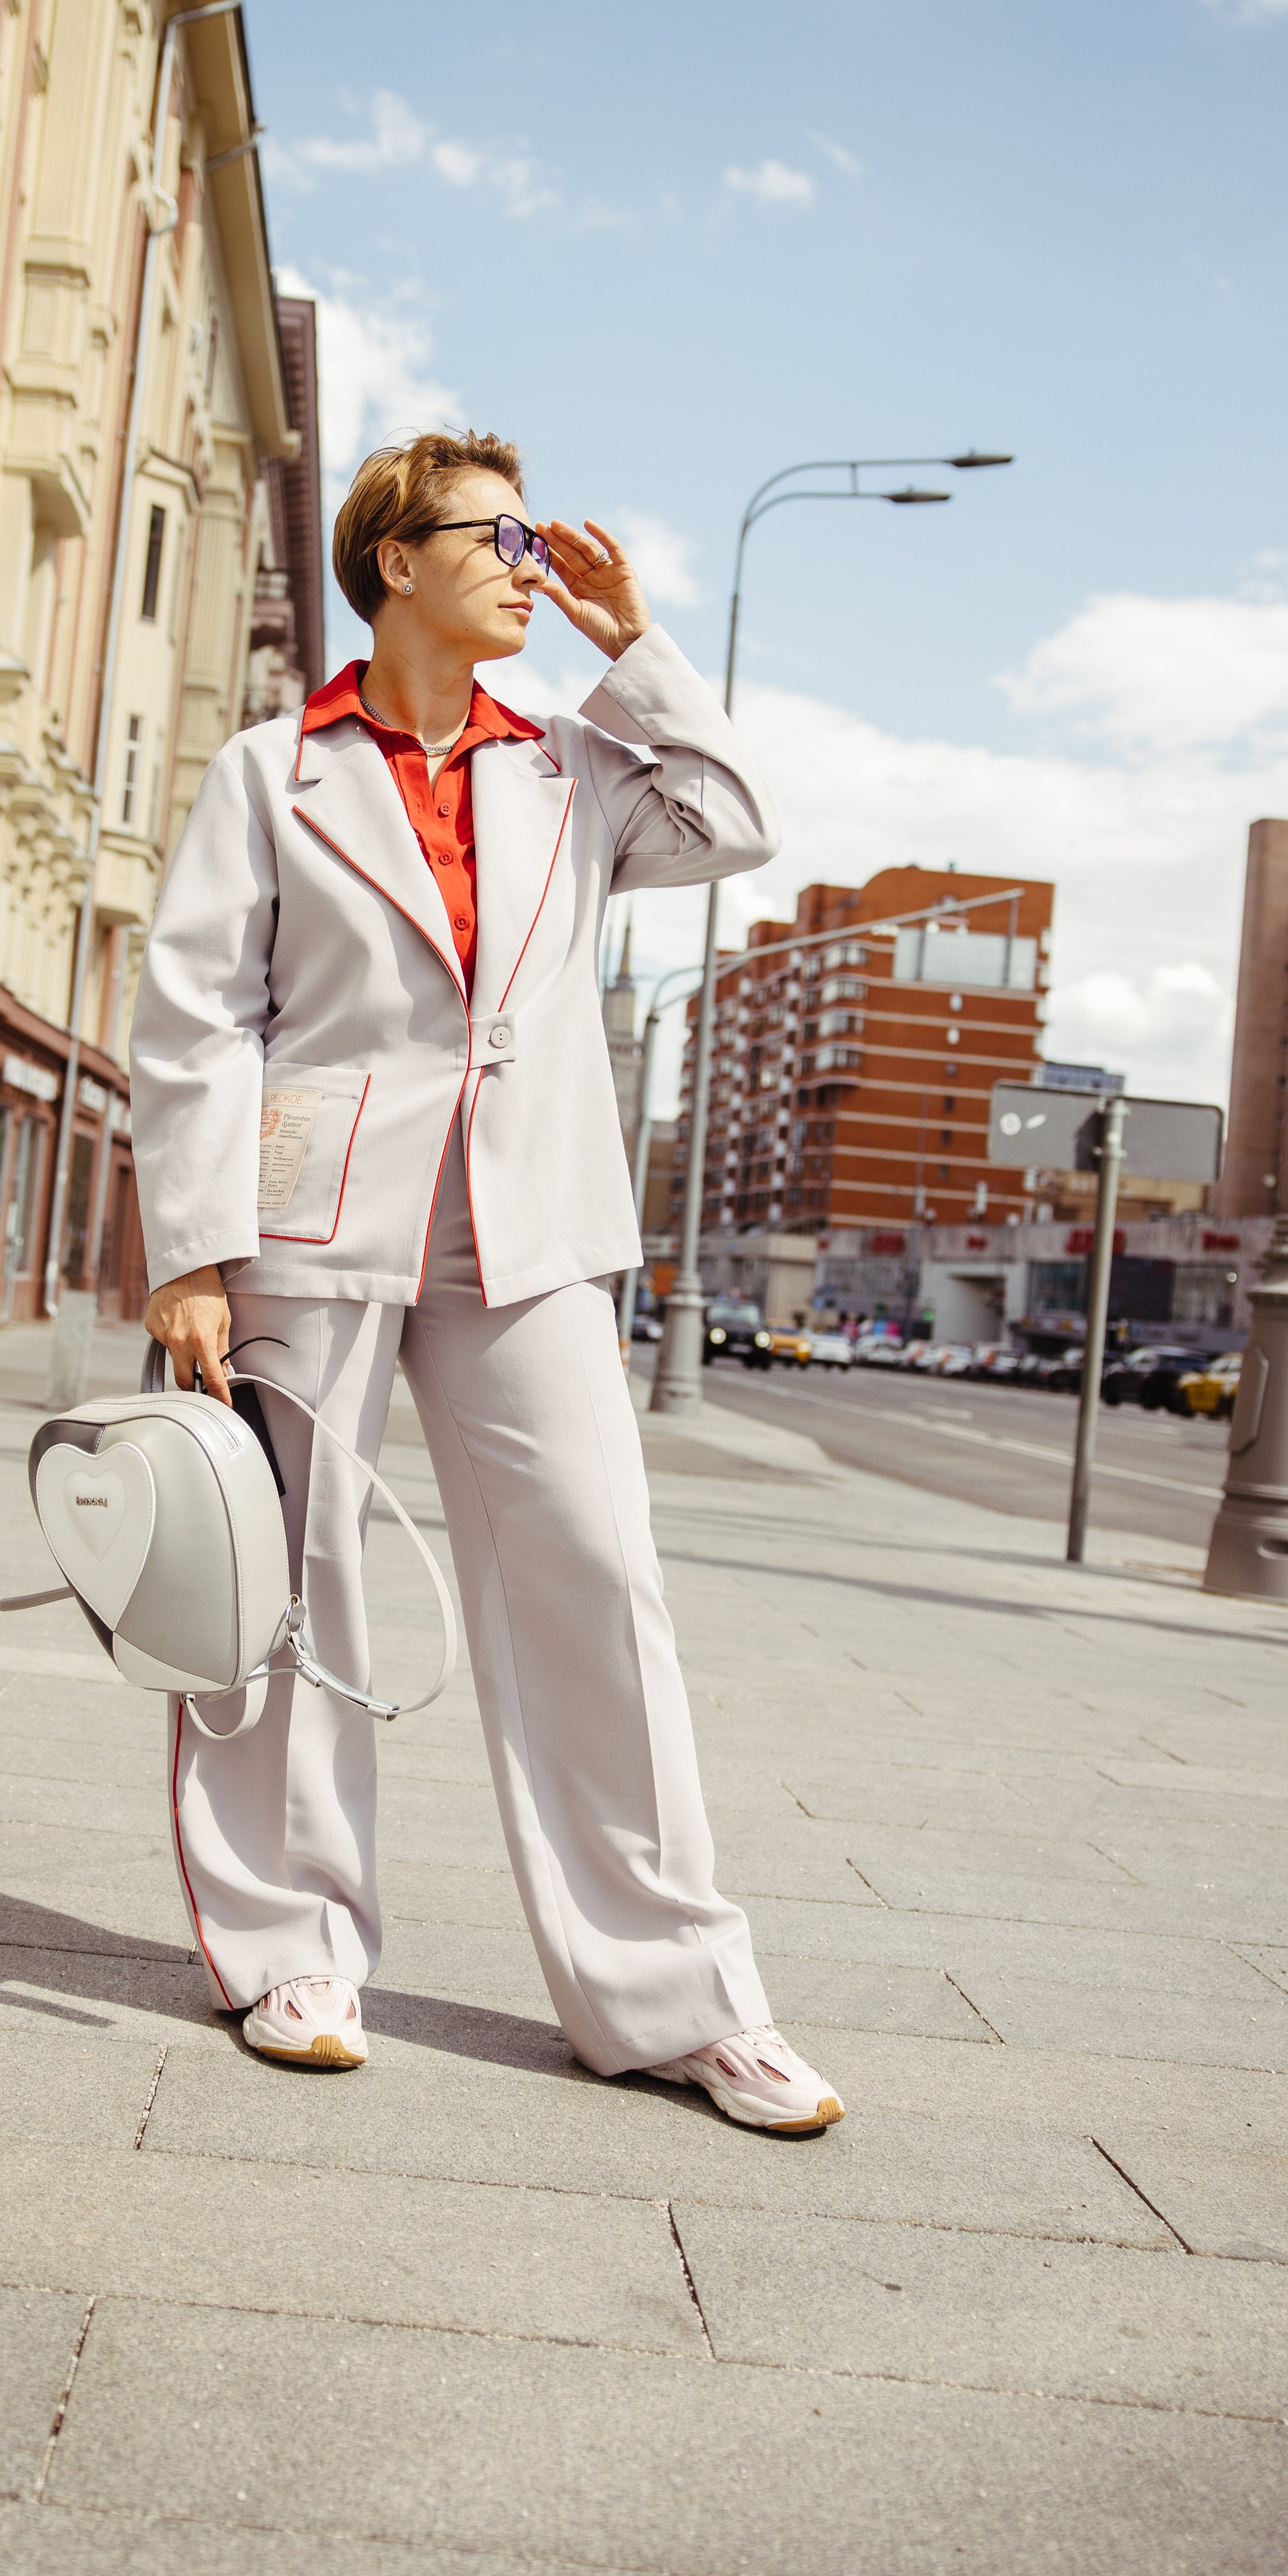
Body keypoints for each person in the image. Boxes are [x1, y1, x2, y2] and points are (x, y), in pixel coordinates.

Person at [129, 429, 843, 2133]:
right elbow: (192, 1023)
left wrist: (632, 637)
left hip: (530, 1230)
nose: (529, 560)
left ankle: (676, 1999)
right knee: (288, 1586)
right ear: (393, 559)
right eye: (497, 535)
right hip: (313, 1225)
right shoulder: (270, 771)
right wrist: (192, 1257)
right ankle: (290, 1949)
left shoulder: (572, 763)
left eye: (535, 537)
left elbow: (732, 822)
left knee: (596, 1579)